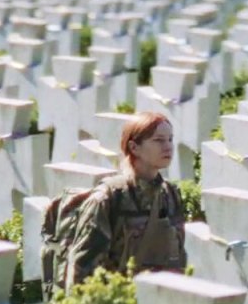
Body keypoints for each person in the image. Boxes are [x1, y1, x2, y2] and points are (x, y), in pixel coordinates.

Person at [66, 111, 187, 286]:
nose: (168, 146)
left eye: (170, 139)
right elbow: (81, 271)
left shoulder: (170, 194)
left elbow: (177, 257)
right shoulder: (108, 198)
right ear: (134, 147)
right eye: (158, 140)